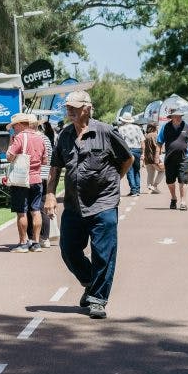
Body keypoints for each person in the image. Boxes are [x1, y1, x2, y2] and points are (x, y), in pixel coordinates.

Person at [44, 90, 133, 320]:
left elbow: (128, 159)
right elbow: (55, 168)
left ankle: (98, 299)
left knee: (103, 254)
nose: (69, 110)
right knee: (69, 250)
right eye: (68, 107)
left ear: (87, 108)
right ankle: (90, 283)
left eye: (74, 106)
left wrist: (113, 183)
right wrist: (50, 195)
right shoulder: (64, 135)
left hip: (103, 202)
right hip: (74, 205)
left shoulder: (105, 131)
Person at [6, 113, 46, 252]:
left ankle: (23, 243)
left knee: (21, 212)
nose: (13, 129)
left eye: (14, 126)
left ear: (20, 124)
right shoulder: (40, 138)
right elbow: (45, 160)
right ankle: (36, 243)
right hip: (37, 178)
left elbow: (9, 157)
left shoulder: (19, 137)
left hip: (22, 180)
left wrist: (12, 144)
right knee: (36, 211)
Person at [157, 107, 188, 210]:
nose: (179, 118)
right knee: (170, 182)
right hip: (169, 159)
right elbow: (159, 142)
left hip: (183, 158)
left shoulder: (187, 127)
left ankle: (183, 202)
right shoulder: (165, 127)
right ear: (171, 117)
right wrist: (157, 157)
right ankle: (173, 198)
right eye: (176, 116)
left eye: (180, 116)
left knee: (183, 180)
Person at [116, 115, 145, 196]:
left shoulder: (121, 129)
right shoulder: (137, 128)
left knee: (129, 171)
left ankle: (134, 190)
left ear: (123, 120)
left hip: (127, 150)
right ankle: (137, 189)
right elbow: (142, 141)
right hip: (137, 150)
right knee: (136, 170)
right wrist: (143, 153)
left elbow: (119, 142)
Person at [38, 121, 55, 248]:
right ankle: (45, 238)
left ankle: (40, 237)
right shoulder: (48, 139)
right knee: (44, 206)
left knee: (37, 208)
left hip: (36, 175)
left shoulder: (36, 138)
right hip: (46, 174)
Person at [143, 123, 162, 194]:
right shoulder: (154, 135)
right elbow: (156, 146)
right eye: (157, 126)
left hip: (147, 158)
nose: (158, 128)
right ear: (154, 127)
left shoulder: (146, 135)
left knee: (150, 173)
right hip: (153, 157)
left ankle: (150, 188)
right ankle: (154, 185)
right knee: (162, 170)